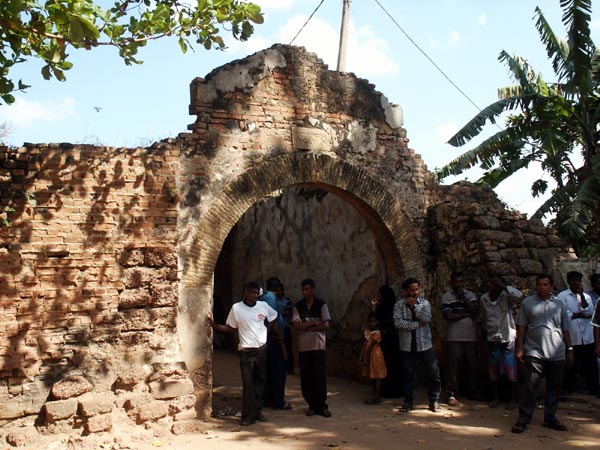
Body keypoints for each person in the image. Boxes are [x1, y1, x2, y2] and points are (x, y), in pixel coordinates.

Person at [208, 281, 280, 426]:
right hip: (246, 351)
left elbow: (273, 318)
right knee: (248, 384)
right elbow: (230, 328)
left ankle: (258, 411)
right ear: (246, 293)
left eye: (256, 293)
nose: (254, 296)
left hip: (261, 349)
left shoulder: (263, 306)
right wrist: (214, 325)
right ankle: (247, 416)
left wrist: (266, 331)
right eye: (252, 293)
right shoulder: (237, 308)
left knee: (260, 381)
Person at [511, 274, 574, 434]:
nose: (542, 287)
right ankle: (524, 418)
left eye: (545, 285)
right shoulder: (528, 303)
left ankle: (550, 417)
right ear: (536, 286)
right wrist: (520, 348)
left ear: (551, 287)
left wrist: (570, 349)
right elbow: (522, 327)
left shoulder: (559, 305)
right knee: (530, 386)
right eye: (539, 284)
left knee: (554, 387)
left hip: (557, 352)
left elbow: (566, 328)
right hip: (534, 351)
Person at [393, 277, 442, 413]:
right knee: (408, 374)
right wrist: (416, 324)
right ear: (406, 291)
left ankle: (434, 400)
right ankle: (408, 401)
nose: (415, 292)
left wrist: (414, 306)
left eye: (417, 289)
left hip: (424, 343)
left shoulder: (424, 303)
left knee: (433, 373)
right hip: (407, 345)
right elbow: (398, 323)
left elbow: (426, 318)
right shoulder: (399, 305)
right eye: (412, 290)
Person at [479, 274, 522, 408]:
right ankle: (496, 397)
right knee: (494, 368)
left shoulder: (506, 297)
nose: (489, 285)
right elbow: (484, 317)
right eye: (488, 283)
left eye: (492, 283)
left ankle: (512, 398)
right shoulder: (484, 299)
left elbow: (519, 296)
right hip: (492, 337)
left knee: (510, 368)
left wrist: (503, 286)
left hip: (507, 337)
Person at [292, 278, 332, 417]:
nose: (304, 292)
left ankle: (321, 405)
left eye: (307, 289)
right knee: (306, 377)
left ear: (313, 290)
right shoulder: (298, 306)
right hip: (304, 347)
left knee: (319, 377)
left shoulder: (321, 304)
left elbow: (326, 325)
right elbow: (297, 326)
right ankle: (311, 404)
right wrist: (314, 324)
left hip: (318, 346)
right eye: (303, 290)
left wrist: (306, 324)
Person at [441, 271, 480, 406]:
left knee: (472, 365)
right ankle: (451, 393)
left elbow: (475, 312)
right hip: (454, 336)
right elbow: (448, 316)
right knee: (453, 367)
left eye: (461, 282)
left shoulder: (470, 295)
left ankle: (473, 391)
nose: (458, 285)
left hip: (470, 337)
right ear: (452, 282)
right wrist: (466, 314)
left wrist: (463, 299)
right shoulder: (447, 296)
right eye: (456, 282)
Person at [557, 271, 598, 396]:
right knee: (570, 364)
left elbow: (590, 313)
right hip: (572, 336)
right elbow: (565, 315)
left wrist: (581, 297)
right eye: (573, 280)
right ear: (568, 281)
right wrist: (579, 314)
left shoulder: (586, 296)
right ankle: (567, 389)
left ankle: (594, 389)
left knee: (590, 364)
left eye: (578, 280)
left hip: (587, 336)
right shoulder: (562, 296)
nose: (576, 283)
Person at [259, 277, 293, 410]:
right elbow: (274, 321)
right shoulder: (271, 299)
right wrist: (281, 340)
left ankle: (267, 399)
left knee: (268, 370)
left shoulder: (261, 298)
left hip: (263, 339)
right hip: (273, 338)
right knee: (279, 370)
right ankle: (279, 400)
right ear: (278, 288)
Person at [374, 285, 403, 398]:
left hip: (392, 339)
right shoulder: (382, 307)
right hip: (386, 340)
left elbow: (387, 321)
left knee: (392, 365)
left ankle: (393, 390)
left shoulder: (394, 308)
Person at [359, 311, 388, 404]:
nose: (372, 323)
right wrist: (361, 356)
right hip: (369, 355)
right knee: (373, 376)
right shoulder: (368, 332)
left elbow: (371, 345)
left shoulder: (377, 333)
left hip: (376, 355)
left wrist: (365, 356)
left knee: (377, 377)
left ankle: (377, 396)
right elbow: (365, 345)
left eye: (374, 321)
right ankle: (376, 395)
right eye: (370, 321)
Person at [276, 284, 296, 375]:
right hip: (277, 328)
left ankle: (290, 367)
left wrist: (277, 313)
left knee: (288, 348)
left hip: (286, 327)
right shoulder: (274, 301)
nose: (278, 292)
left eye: (280, 290)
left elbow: (287, 312)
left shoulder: (287, 301)